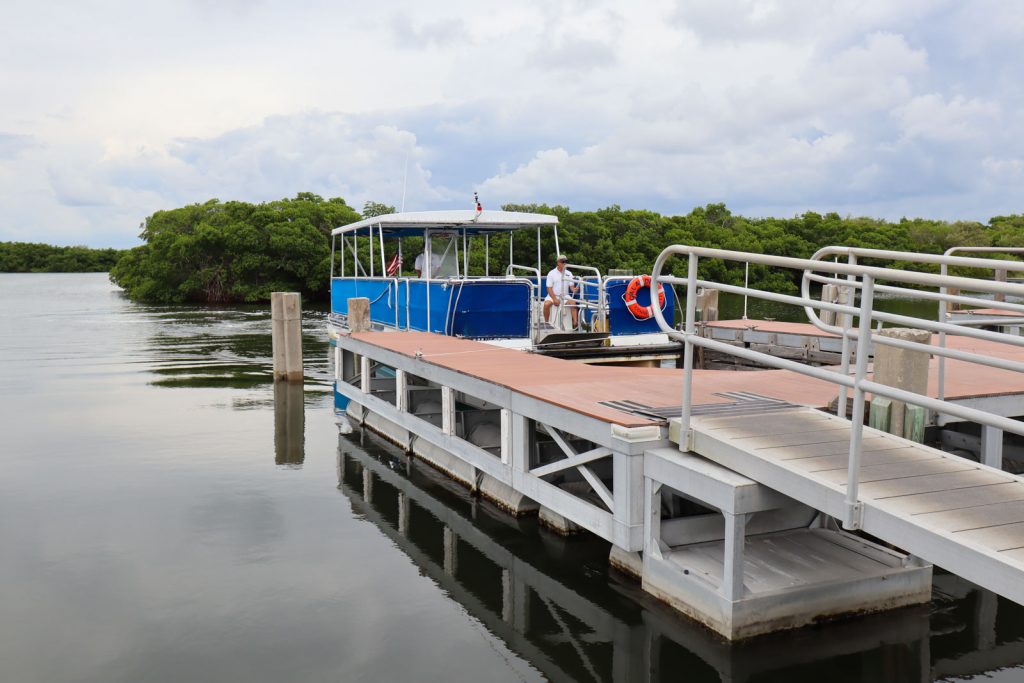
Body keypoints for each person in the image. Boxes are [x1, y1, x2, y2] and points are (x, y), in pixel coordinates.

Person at [544, 254, 579, 328]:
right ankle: (546, 323)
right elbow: (549, 288)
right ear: (558, 262)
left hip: (565, 296)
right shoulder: (551, 273)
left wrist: (574, 290)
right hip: (553, 295)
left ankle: (575, 323)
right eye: (562, 261)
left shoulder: (569, 273)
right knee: (546, 304)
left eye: (565, 261)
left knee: (573, 303)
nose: (564, 263)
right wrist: (554, 299)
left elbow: (571, 286)